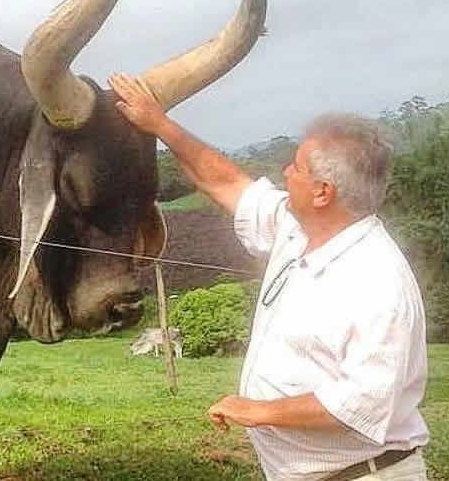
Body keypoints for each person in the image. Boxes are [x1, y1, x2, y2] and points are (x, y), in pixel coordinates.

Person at [109, 73, 430, 481]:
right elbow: (226, 182)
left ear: (322, 192)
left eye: (295, 167)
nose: (285, 171)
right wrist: (159, 125)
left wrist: (259, 411)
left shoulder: (377, 281)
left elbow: (364, 403)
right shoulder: (297, 230)